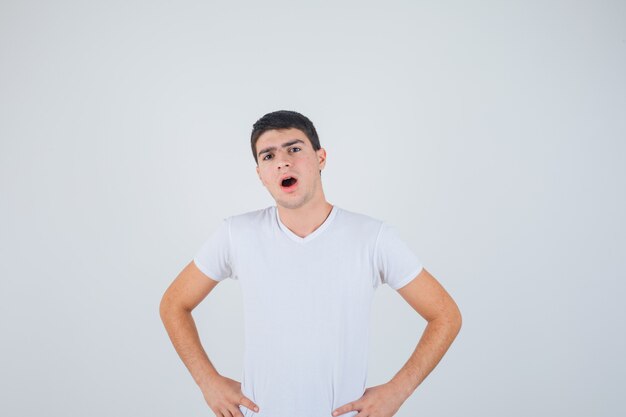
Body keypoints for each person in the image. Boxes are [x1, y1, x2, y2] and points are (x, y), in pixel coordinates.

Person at [159, 110, 462, 417]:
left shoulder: (373, 238)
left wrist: (397, 392)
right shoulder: (236, 234)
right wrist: (207, 382)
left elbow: (445, 315)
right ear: (261, 175)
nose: (282, 162)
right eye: (268, 156)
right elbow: (173, 303)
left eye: (294, 149)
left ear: (321, 158)